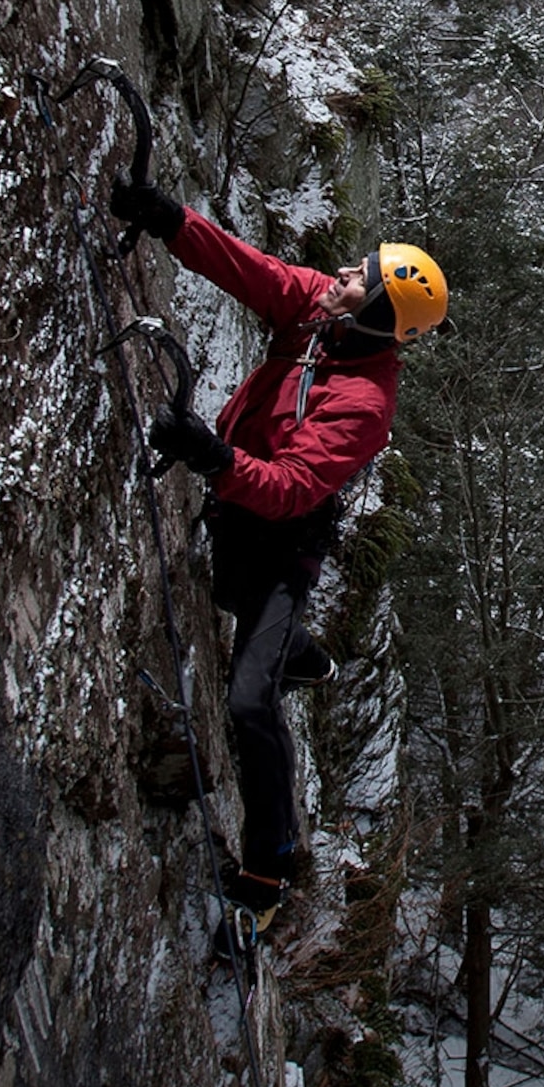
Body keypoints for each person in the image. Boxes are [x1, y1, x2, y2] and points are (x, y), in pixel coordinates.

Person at [110, 177, 449, 936]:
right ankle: (301, 652)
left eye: (356, 280)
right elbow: (247, 268)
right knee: (229, 595)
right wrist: (171, 221)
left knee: (247, 702)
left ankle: (269, 869)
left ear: (377, 314)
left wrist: (211, 457)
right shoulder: (321, 317)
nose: (337, 278)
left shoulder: (364, 402)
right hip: (239, 509)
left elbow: (293, 487)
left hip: (285, 541)